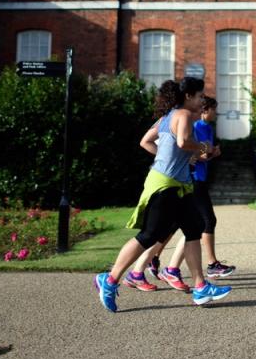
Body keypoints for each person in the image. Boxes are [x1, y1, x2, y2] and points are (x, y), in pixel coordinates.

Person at [93, 77, 232, 312]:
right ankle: (110, 279)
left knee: (193, 228)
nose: (201, 101)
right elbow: (183, 141)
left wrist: (167, 159)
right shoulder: (185, 115)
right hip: (166, 185)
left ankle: (200, 287)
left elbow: (146, 141)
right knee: (149, 235)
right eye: (199, 96)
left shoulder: (168, 116)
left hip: (174, 183)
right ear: (188, 96)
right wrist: (202, 148)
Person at [128, 96, 235, 290]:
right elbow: (189, 150)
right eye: (197, 103)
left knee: (181, 227)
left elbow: (187, 151)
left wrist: (200, 155)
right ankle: (134, 273)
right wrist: (205, 152)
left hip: (183, 179)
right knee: (178, 227)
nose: (212, 112)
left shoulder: (172, 119)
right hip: (181, 180)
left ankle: (147, 271)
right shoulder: (180, 121)